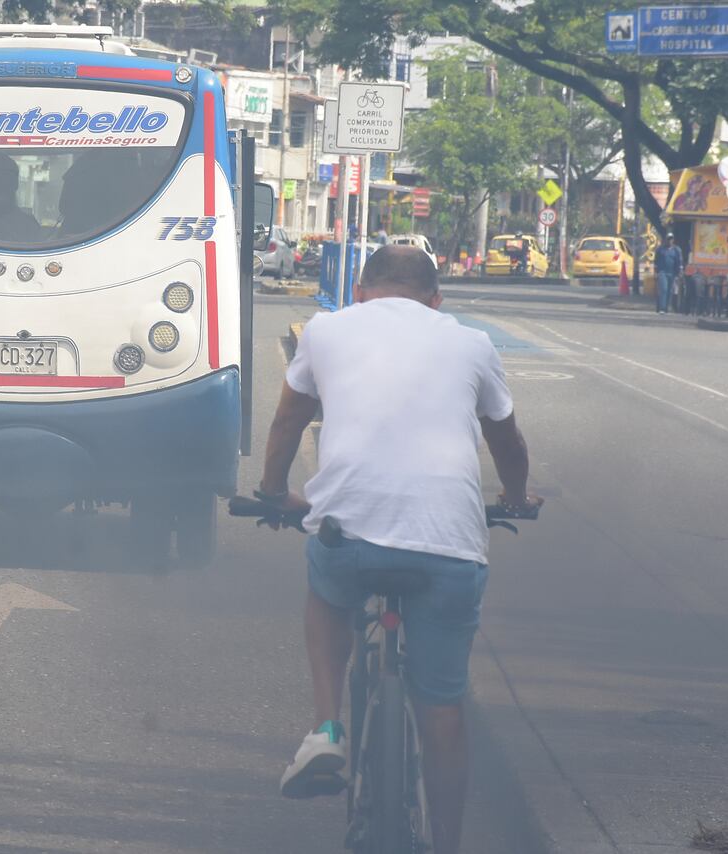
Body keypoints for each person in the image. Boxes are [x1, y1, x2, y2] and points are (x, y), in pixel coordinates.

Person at [257, 245, 539, 854]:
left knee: (328, 587)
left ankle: (327, 728)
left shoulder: (328, 330)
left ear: (360, 290)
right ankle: (446, 841)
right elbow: (507, 442)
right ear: (436, 300)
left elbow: (286, 423)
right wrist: (515, 499)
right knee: (442, 705)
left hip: (349, 535)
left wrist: (274, 492)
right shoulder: (471, 344)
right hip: (450, 547)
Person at [654, 234, 683, 314]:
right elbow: (656, 262)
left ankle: (666, 307)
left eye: (671, 239)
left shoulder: (676, 250)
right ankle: (662, 308)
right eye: (668, 239)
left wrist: (679, 272)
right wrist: (656, 272)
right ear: (665, 240)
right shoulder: (660, 249)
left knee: (669, 291)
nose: (669, 241)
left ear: (673, 240)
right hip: (662, 272)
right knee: (664, 289)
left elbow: (679, 262)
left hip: (672, 273)